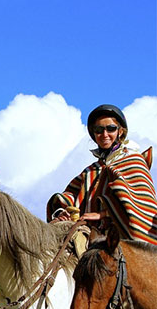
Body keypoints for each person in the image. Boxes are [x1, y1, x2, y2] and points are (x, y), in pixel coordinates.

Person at [47, 104, 157, 244]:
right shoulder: (91, 171)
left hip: (118, 238)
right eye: (99, 130)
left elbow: (141, 204)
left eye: (110, 128)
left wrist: (103, 214)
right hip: (88, 235)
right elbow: (71, 196)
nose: (104, 134)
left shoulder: (133, 161)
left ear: (120, 131)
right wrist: (63, 212)